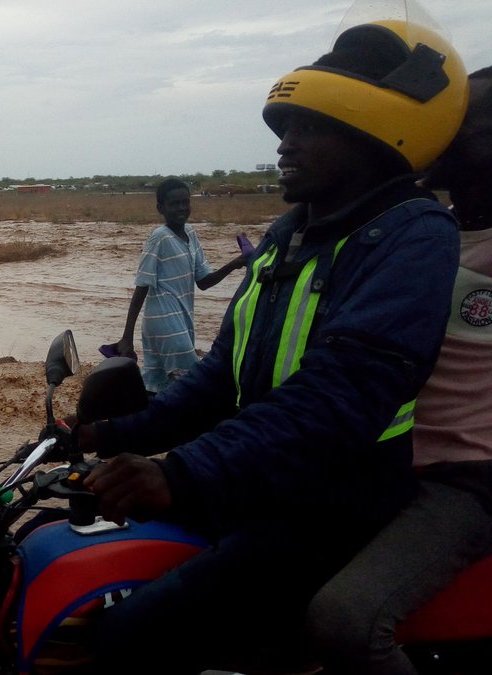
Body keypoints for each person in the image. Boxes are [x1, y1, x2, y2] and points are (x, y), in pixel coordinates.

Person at [70, 8, 468, 673]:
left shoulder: (413, 234)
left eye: (311, 128)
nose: (286, 143)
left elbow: (339, 395)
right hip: (261, 483)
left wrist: (180, 471)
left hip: (333, 506)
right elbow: (221, 375)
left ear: (376, 138)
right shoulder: (292, 233)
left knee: (125, 640)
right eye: (286, 126)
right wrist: (109, 435)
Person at [306, 65, 492, 675]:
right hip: (379, 459)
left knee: (347, 618)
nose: (442, 136)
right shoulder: (413, 230)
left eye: (465, 126)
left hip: (464, 479)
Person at [111, 178, 247, 393]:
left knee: (156, 385)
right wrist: (127, 336)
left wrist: (236, 263)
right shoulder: (159, 238)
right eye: (174, 204)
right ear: (160, 208)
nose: (182, 208)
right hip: (164, 323)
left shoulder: (191, 234)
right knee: (191, 384)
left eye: (185, 202)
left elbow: (204, 282)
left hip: (181, 320)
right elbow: (141, 286)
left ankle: (143, 423)